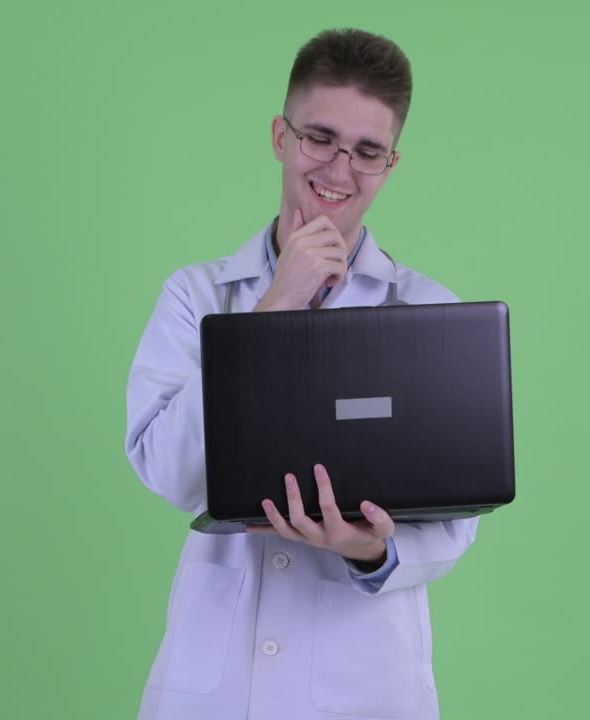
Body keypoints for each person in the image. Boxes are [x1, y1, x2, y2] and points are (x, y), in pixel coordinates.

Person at [125, 28, 479, 720]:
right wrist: (272, 307)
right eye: (320, 137)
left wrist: (373, 550)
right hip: (219, 686)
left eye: (367, 151)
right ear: (281, 137)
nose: (340, 169)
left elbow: (457, 514)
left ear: (389, 163)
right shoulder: (197, 296)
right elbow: (167, 472)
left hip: (366, 684)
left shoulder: (428, 311)